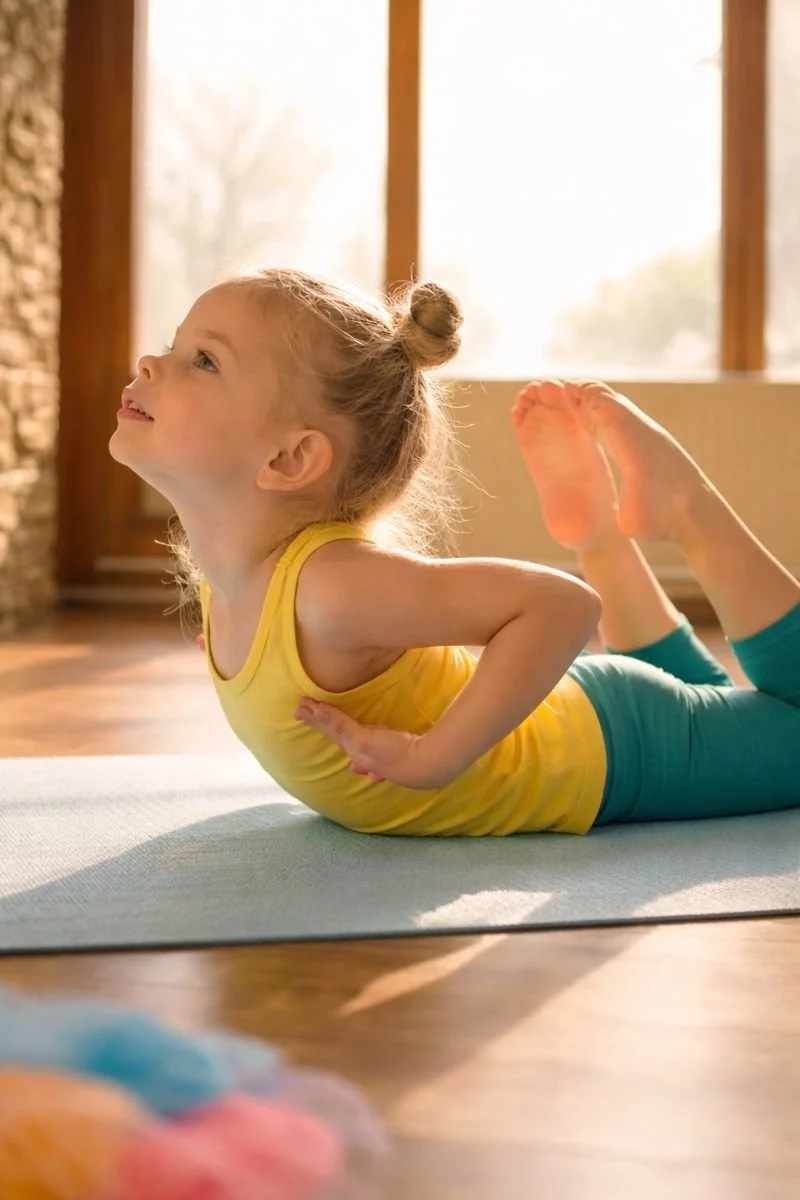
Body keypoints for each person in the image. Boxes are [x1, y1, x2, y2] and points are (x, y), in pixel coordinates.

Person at [109, 269, 800, 836]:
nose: (151, 360)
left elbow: (560, 606)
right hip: (596, 717)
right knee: (715, 707)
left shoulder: (332, 588)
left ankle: (688, 509)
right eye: (177, 346)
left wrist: (432, 758)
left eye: (203, 360)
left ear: (291, 457)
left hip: (618, 751)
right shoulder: (237, 579)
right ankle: (600, 536)